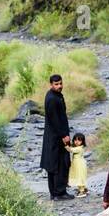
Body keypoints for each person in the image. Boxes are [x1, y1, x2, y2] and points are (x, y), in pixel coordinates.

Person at [40, 73, 72, 201]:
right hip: (56, 137)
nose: (59, 86)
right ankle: (58, 193)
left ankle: (57, 192)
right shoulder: (52, 98)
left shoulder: (56, 95)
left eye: (60, 83)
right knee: (58, 164)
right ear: (51, 85)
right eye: (56, 84)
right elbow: (54, 120)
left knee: (58, 163)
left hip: (55, 136)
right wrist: (63, 135)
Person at [68, 132, 89, 197]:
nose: (77, 142)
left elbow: (71, 150)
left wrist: (65, 145)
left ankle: (82, 191)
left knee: (79, 176)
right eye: (75, 140)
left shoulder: (80, 148)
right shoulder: (78, 147)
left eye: (79, 140)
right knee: (79, 176)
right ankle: (84, 189)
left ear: (82, 142)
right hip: (77, 164)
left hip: (79, 165)